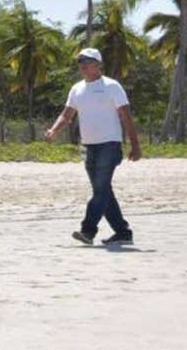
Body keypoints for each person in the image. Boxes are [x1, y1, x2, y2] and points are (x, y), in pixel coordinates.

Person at [44, 48, 142, 246]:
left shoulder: (112, 86)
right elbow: (67, 115)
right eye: (80, 62)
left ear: (98, 64)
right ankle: (123, 232)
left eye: (87, 62)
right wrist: (54, 130)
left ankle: (87, 231)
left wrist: (135, 144)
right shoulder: (77, 89)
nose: (83, 65)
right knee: (104, 191)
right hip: (88, 146)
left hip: (110, 144)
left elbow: (126, 116)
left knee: (100, 190)